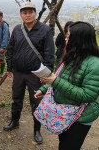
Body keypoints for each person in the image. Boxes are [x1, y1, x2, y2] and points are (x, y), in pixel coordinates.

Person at [35, 21, 99, 149]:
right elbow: (60, 78)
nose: (65, 38)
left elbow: (88, 95)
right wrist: (44, 88)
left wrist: (55, 81)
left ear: (79, 39)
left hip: (80, 117)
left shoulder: (94, 64)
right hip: (64, 113)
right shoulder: (73, 56)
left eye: (69, 36)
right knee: (63, 143)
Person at [4, 2, 54, 144]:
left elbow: (49, 53)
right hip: (19, 72)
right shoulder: (17, 30)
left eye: (30, 12)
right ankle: (15, 121)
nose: (27, 15)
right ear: (21, 15)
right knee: (16, 98)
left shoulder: (44, 30)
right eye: (24, 12)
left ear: (35, 13)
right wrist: (9, 67)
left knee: (36, 102)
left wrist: (47, 73)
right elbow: (11, 49)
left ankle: (37, 130)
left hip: (36, 74)